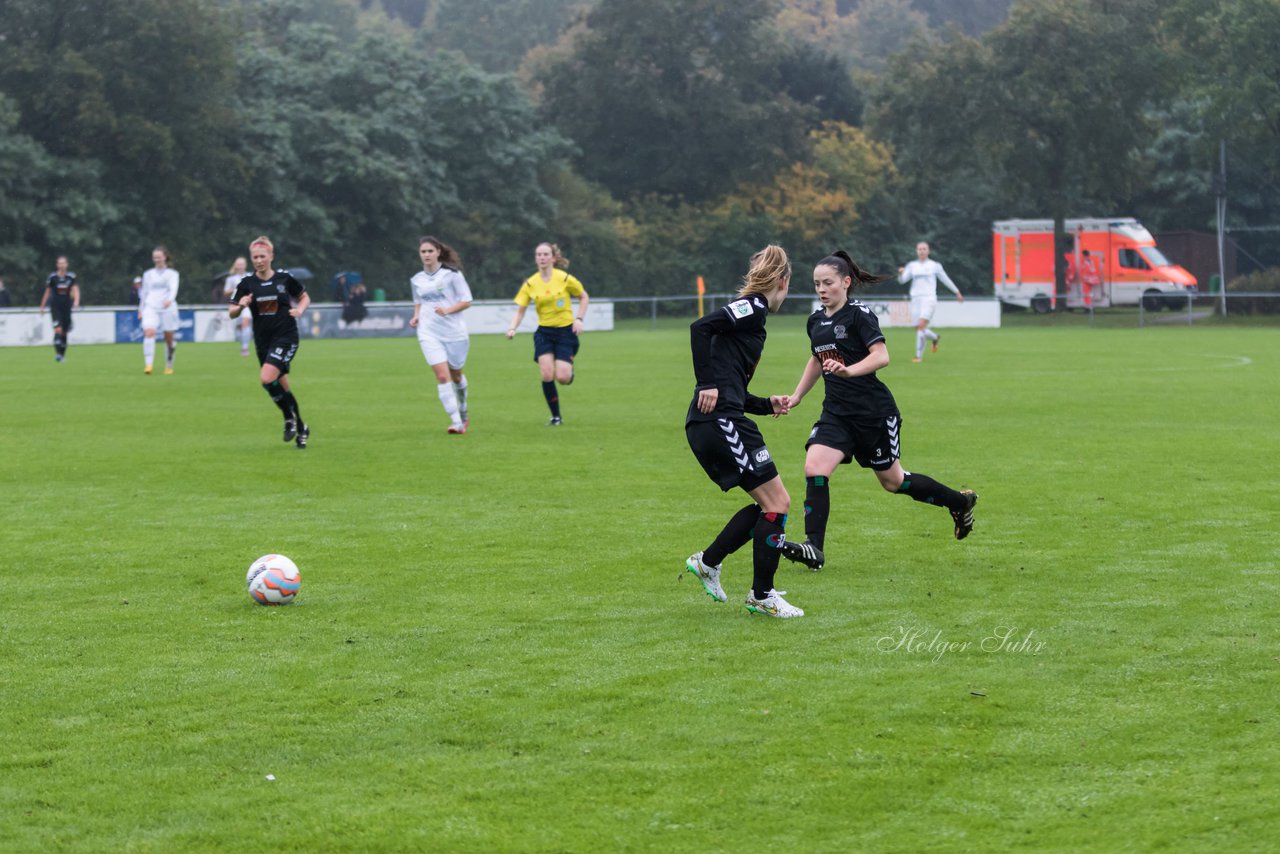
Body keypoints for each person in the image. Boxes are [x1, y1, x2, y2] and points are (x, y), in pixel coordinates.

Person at [783, 250, 978, 564]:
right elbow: (817, 359)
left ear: (846, 283)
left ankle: (959, 502)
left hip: (873, 414)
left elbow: (881, 355)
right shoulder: (816, 320)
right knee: (815, 467)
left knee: (893, 482)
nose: (821, 289)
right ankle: (814, 547)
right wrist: (797, 396)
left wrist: (850, 370)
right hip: (836, 413)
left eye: (828, 282)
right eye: (817, 283)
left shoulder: (859, 314)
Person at [683, 244, 816, 619]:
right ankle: (762, 595)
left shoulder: (753, 315)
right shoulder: (754, 307)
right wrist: (705, 382)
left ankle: (709, 563)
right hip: (720, 423)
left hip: (720, 419)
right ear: (782, 280)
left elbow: (732, 388)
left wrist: (764, 404)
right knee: (778, 504)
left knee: (769, 505)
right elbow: (699, 327)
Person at [229, 235, 312, 449]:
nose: (258, 260)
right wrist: (240, 305)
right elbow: (231, 313)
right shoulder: (247, 283)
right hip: (263, 342)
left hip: (286, 336)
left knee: (267, 379)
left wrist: (299, 310)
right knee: (282, 386)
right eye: (255, 257)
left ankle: (288, 418)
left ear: (271, 256)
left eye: (262, 256)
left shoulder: (284, 278)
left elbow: (304, 297)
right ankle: (302, 428)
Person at [505, 242, 589, 426]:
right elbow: (520, 310)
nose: (542, 257)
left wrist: (579, 318)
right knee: (546, 372)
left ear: (553, 258)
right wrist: (512, 327)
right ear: (536, 258)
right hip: (544, 332)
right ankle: (556, 417)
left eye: (545, 254)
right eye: (538, 254)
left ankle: (568, 371)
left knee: (563, 378)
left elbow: (583, 296)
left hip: (566, 331)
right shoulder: (530, 283)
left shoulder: (565, 278)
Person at [409, 236, 473, 434]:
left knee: (456, 375)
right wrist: (416, 316)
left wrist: (448, 310)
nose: (426, 255)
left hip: (454, 333)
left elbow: (467, 301)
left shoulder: (452, 275)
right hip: (429, 332)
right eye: (423, 252)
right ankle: (456, 422)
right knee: (442, 376)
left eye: (430, 251)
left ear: (438, 252)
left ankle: (463, 410)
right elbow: (418, 300)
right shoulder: (417, 279)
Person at [897, 241, 963, 362]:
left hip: (929, 298)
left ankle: (918, 356)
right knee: (918, 328)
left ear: (928, 251)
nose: (922, 251)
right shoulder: (912, 266)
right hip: (916, 299)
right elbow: (902, 281)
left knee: (921, 325)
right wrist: (900, 273)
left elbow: (945, 279)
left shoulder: (934, 265)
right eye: (920, 249)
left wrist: (956, 292)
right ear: (916, 251)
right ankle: (935, 337)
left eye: (924, 249)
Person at [138, 246, 181, 374]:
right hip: (151, 306)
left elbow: (174, 288)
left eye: (159, 257)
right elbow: (144, 293)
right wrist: (141, 309)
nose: (156, 259)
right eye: (154, 257)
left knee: (169, 338)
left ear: (165, 257)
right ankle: (148, 365)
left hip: (168, 307)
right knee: (149, 332)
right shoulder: (148, 274)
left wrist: (170, 299)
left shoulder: (173, 274)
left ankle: (169, 364)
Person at [38, 256, 80, 362]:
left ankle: (62, 355)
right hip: (55, 307)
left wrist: (76, 301)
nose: (62, 265)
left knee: (64, 332)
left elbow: (75, 289)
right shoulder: (52, 278)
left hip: (66, 307)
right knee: (58, 329)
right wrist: (42, 306)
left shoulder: (71, 277)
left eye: (63, 263)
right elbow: (47, 292)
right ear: (57, 265)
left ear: (67, 264)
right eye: (60, 263)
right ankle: (58, 355)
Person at [222, 256, 252, 355]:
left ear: (245, 265)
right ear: (235, 265)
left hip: (247, 304)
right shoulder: (231, 279)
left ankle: (245, 348)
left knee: (245, 323)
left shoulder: (250, 276)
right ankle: (244, 341)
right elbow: (225, 292)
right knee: (239, 328)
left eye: (242, 264)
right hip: (235, 304)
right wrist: (236, 288)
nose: (240, 266)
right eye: (238, 264)